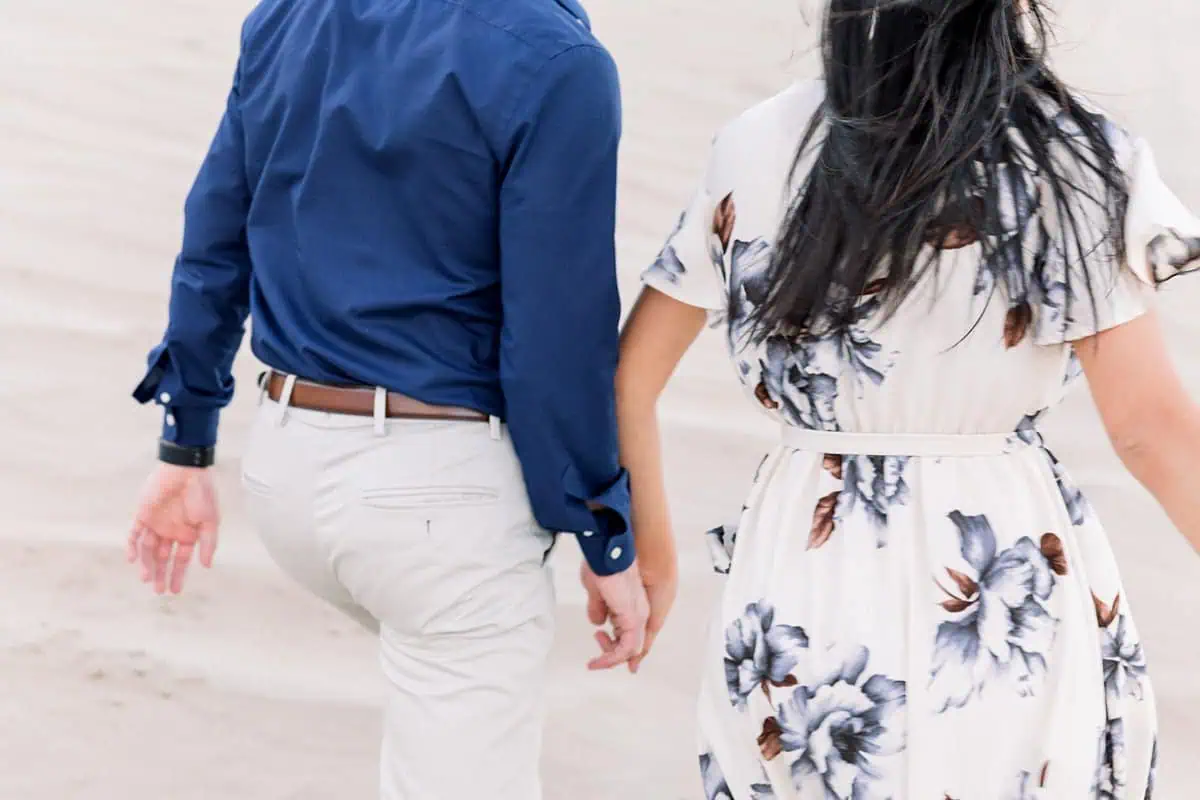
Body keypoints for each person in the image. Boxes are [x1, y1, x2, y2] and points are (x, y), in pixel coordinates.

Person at [616, 1, 1199, 797]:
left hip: (801, 556)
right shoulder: (1072, 157)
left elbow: (631, 379)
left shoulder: (758, 143)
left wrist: (649, 551)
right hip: (1001, 570)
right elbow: (1147, 430)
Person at [126, 0, 659, 797]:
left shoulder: (287, 16)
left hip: (285, 474)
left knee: (431, 694)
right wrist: (604, 533)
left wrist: (186, 445)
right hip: (432, 504)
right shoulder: (559, 62)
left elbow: (215, 235)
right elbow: (558, 337)